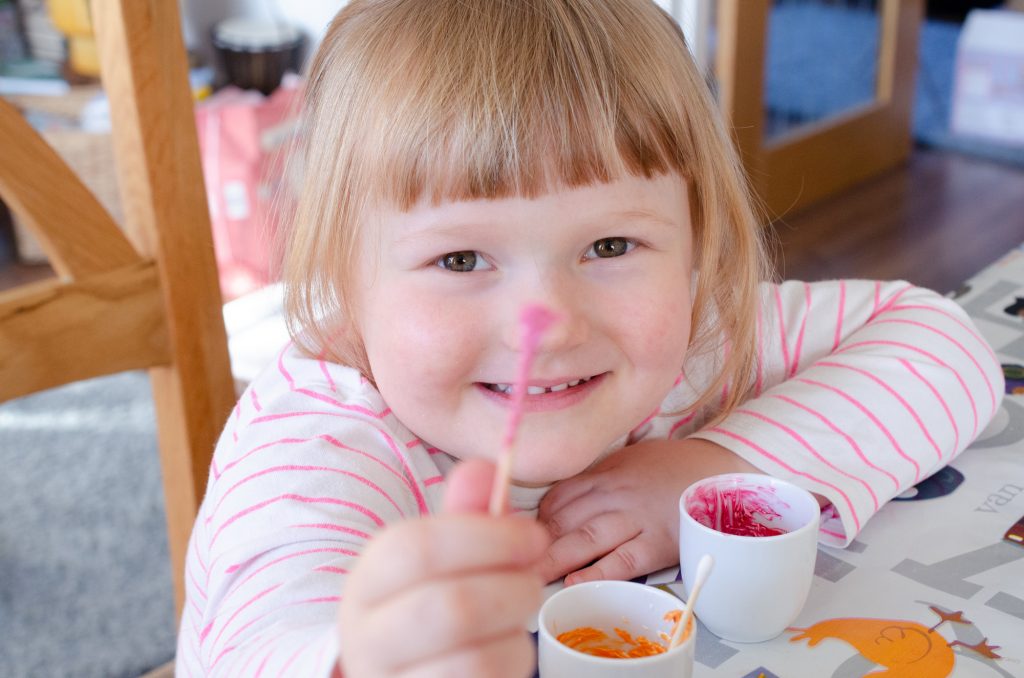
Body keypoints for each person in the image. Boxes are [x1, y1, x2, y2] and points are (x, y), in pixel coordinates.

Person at [175, 1, 1004, 676]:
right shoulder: (316, 443)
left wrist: (718, 469)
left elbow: (945, 344)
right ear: (344, 287)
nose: (552, 320)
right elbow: (266, 632)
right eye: (460, 258)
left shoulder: (699, 337)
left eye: (610, 247)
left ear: (695, 245)